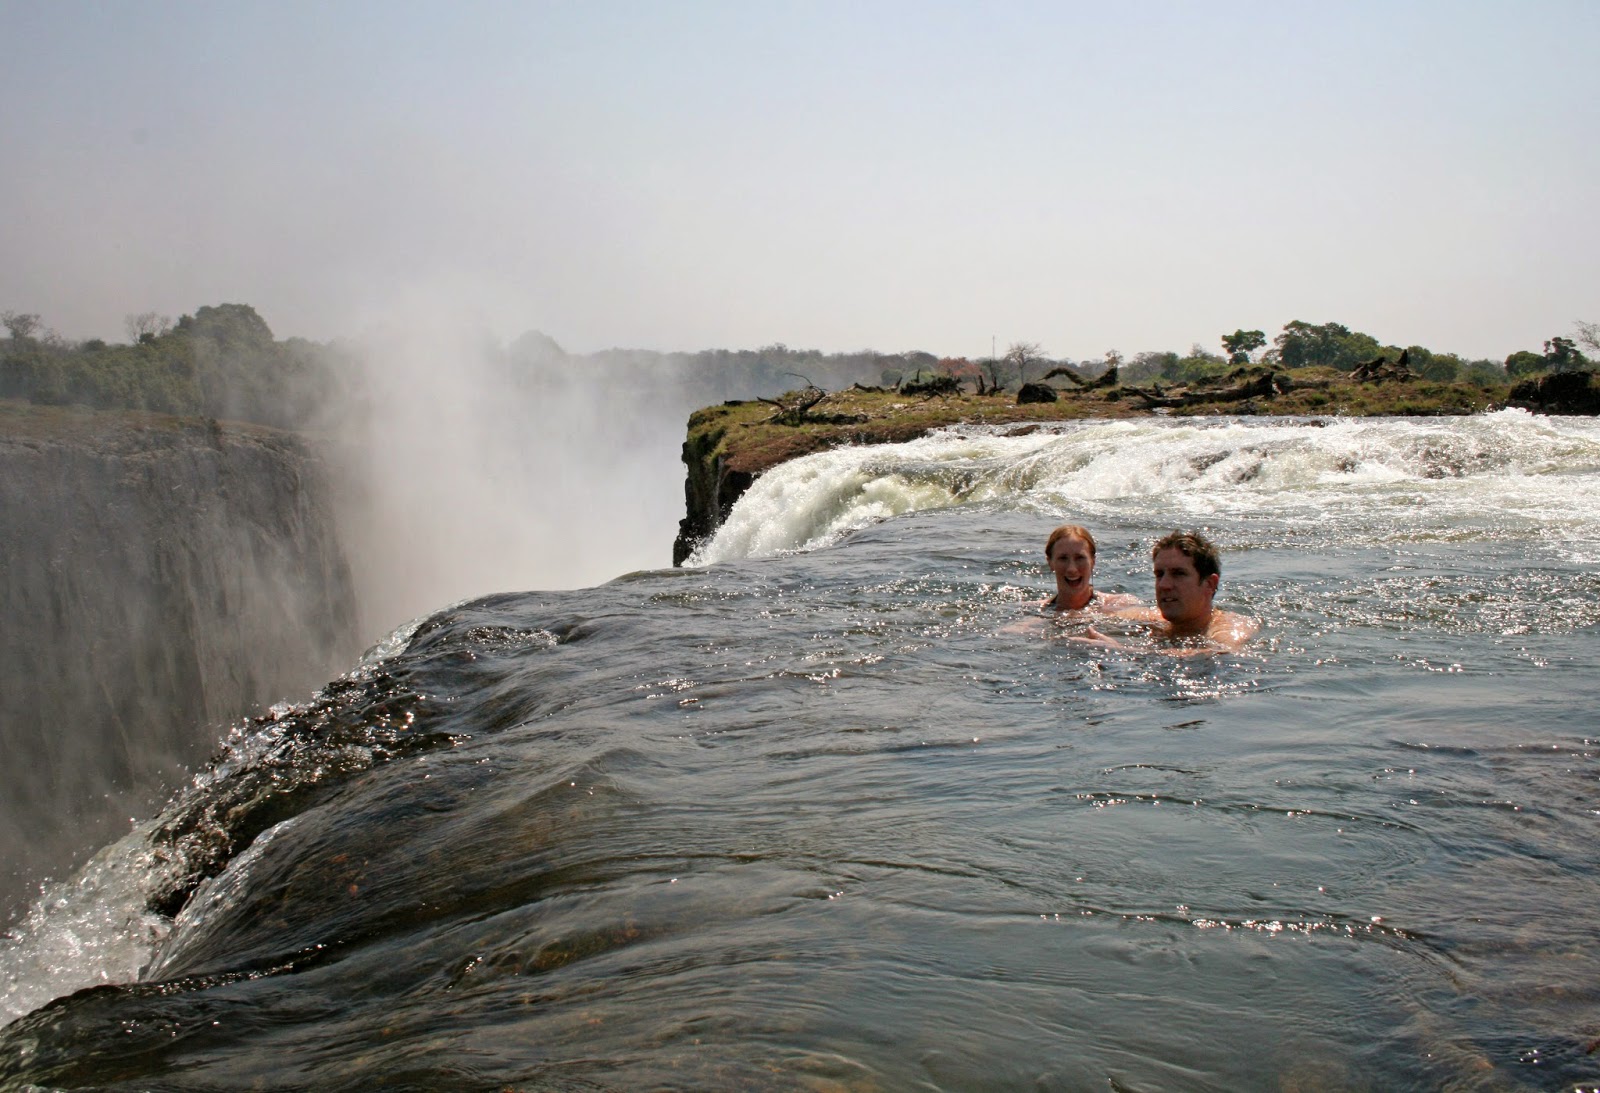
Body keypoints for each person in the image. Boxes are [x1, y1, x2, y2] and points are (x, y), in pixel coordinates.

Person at [1078, 530, 1258, 653]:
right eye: (1159, 574)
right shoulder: (1155, 620)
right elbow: (1085, 615)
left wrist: (1124, 651)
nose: (1164, 585)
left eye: (1178, 574)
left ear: (1210, 584)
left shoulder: (1229, 626)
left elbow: (1221, 652)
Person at [1039, 524, 1141, 612]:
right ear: (1050, 563)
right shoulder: (1035, 612)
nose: (1072, 569)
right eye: (1063, 558)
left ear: (1093, 561)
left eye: (1080, 558)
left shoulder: (1122, 605)